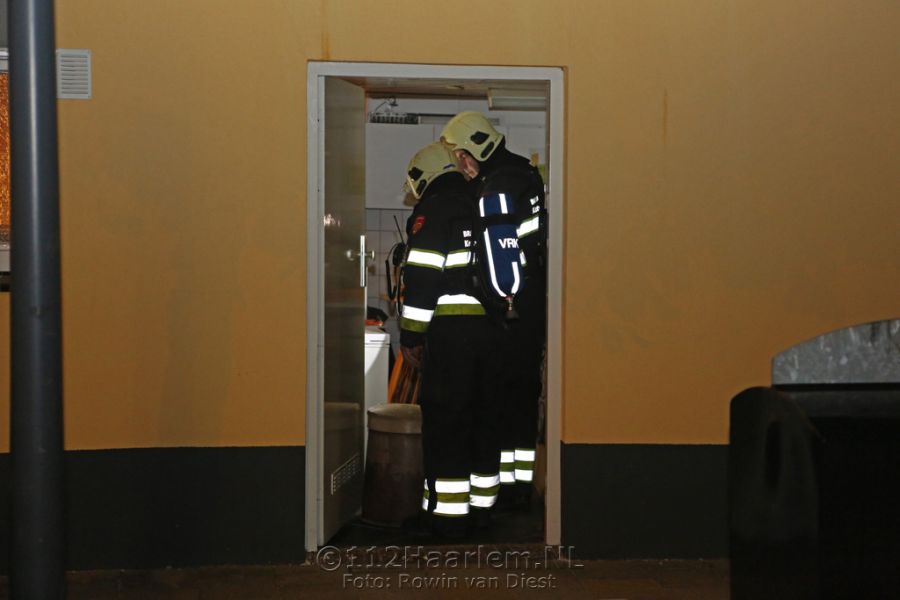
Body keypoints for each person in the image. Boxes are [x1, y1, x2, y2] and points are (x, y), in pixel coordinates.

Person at [440, 111, 547, 510]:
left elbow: (499, 259)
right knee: (523, 395)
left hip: (510, 309)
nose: (459, 164)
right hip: (531, 302)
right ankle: (519, 487)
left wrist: (499, 302)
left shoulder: (497, 187)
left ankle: (504, 493)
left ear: (471, 152)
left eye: (460, 155)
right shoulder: (524, 173)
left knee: (501, 397)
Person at [399, 141, 501, 537]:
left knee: (446, 421)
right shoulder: (484, 201)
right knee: (483, 419)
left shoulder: (435, 209)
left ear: (423, 178)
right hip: (493, 332)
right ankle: (482, 512)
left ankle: (444, 519)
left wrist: (411, 334)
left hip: (452, 332)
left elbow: (422, 277)